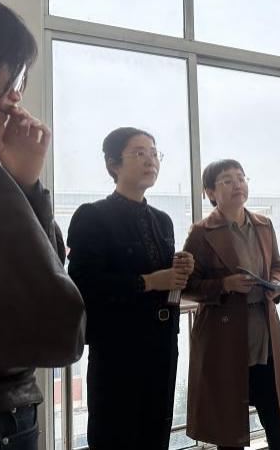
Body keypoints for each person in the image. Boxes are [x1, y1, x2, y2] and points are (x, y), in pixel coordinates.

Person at [0, 0, 85, 449]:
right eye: (9, 75)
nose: (15, 95)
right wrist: (25, 184)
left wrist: (21, 181)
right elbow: (58, 325)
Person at [67, 127, 194, 449]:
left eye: (154, 153)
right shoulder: (93, 216)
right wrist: (148, 281)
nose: (150, 160)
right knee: (116, 434)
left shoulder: (162, 220)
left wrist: (181, 271)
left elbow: (168, 283)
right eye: (139, 153)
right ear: (113, 164)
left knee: (156, 433)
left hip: (163, 345)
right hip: (117, 348)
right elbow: (83, 284)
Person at [182, 160, 280, 449]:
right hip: (224, 339)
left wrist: (274, 283)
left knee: (279, 425)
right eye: (227, 180)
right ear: (210, 192)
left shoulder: (264, 225)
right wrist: (225, 285)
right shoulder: (201, 233)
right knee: (229, 431)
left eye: (241, 178)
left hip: (264, 334)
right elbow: (187, 285)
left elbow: (277, 266)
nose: (237, 185)